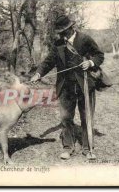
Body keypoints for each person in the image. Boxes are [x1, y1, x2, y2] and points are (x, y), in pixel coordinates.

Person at [30, 15, 104, 160]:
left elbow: (99, 56)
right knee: (66, 118)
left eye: (64, 32)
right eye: (60, 32)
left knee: (86, 117)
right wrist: (38, 73)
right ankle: (68, 147)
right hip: (65, 87)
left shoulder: (85, 39)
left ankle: (87, 148)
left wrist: (90, 62)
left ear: (71, 28)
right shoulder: (58, 44)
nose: (63, 35)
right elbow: (48, 61)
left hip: (85, 84)